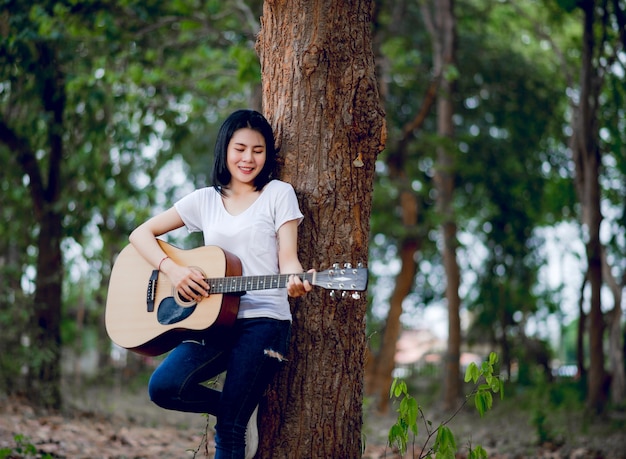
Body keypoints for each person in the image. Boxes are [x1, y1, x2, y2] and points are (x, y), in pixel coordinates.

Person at [128, 109, 313, 459]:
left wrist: (294, 279)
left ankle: (235, 412)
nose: (247, 158)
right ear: (225, 150)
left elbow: (289, 257)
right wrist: (173, 270)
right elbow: (140, 234)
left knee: (229, 430)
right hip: (213, 319)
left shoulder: (279, 193)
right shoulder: (204, 200)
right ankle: (239, 405)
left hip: (264, 322)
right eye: (239, 148)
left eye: (258, 150)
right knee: (163, 387)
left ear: (268, 154)